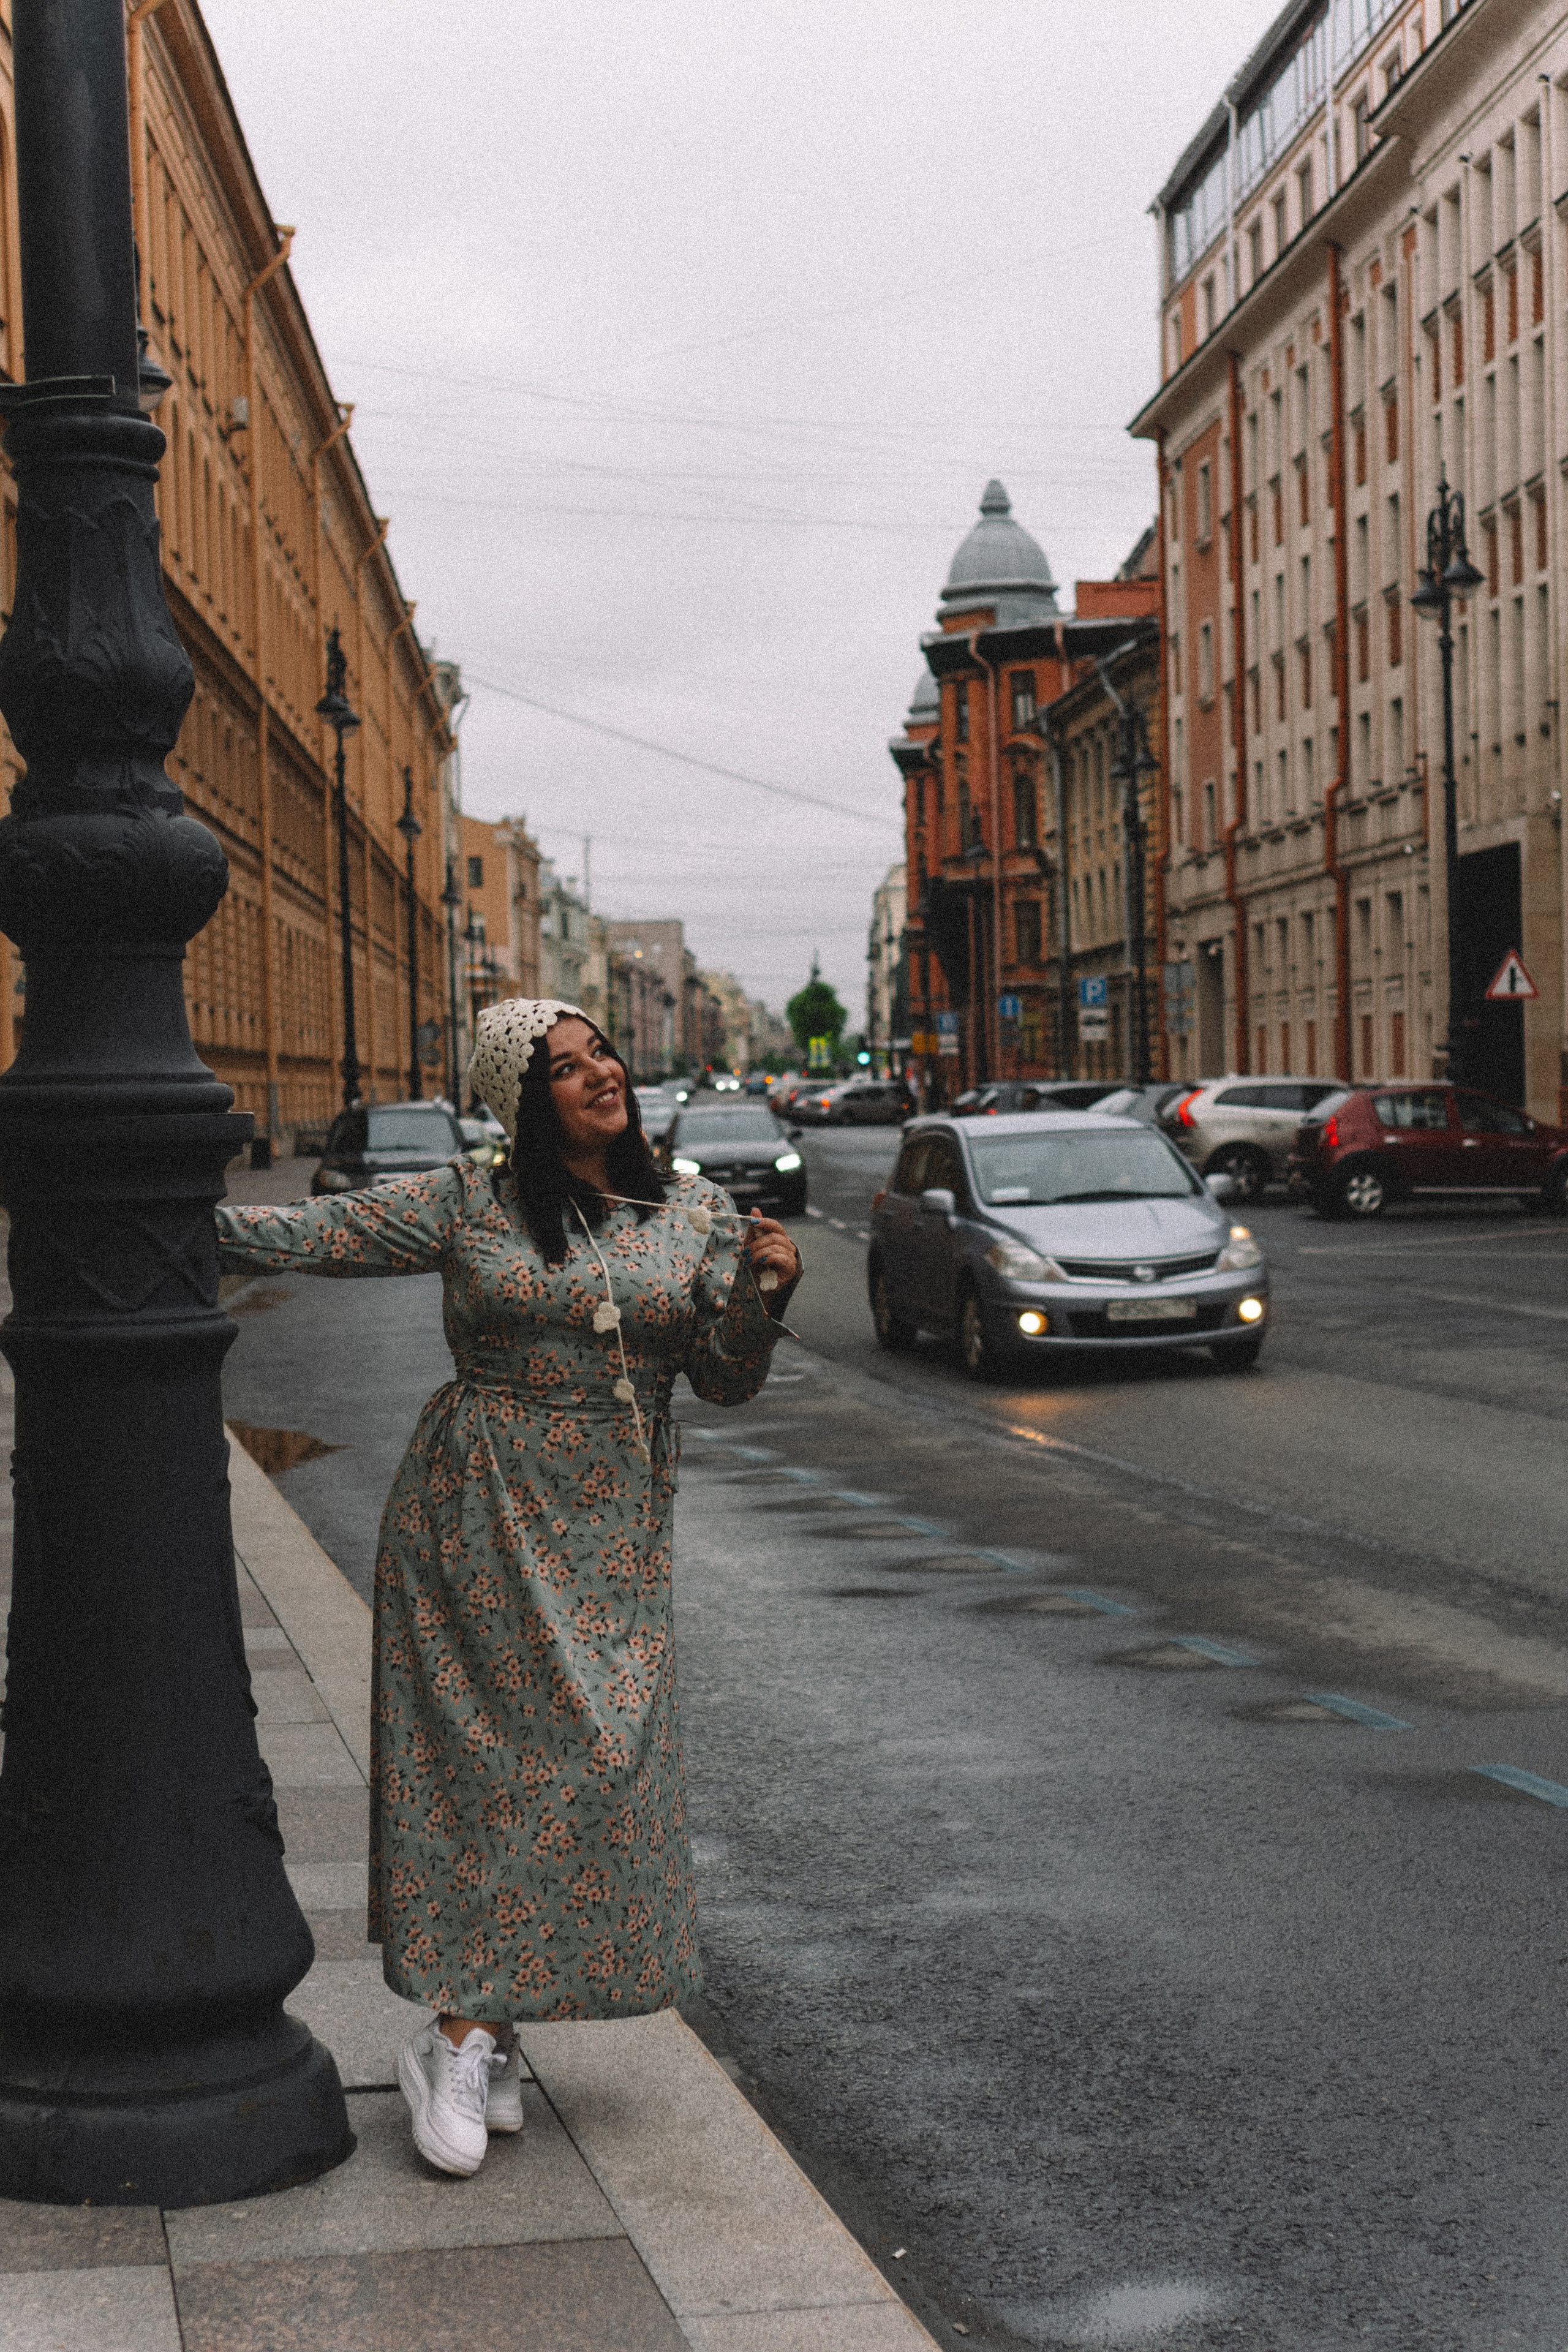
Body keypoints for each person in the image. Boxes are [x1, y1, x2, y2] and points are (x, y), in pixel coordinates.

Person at [215, 998, 802, 2176]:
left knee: (592, 1760)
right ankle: (464, 2030)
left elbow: (726, 1381)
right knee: (484, 1770)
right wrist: (139, 1203)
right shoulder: (470, 1202)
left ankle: (487, 2023)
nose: (599, 1075)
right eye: (566, 1069)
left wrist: (764, 1294)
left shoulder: (689, 1215)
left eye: (602, 1055)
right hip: (474, 1511)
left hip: (616, 1532)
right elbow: (310, 1237)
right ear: (525, 1104)